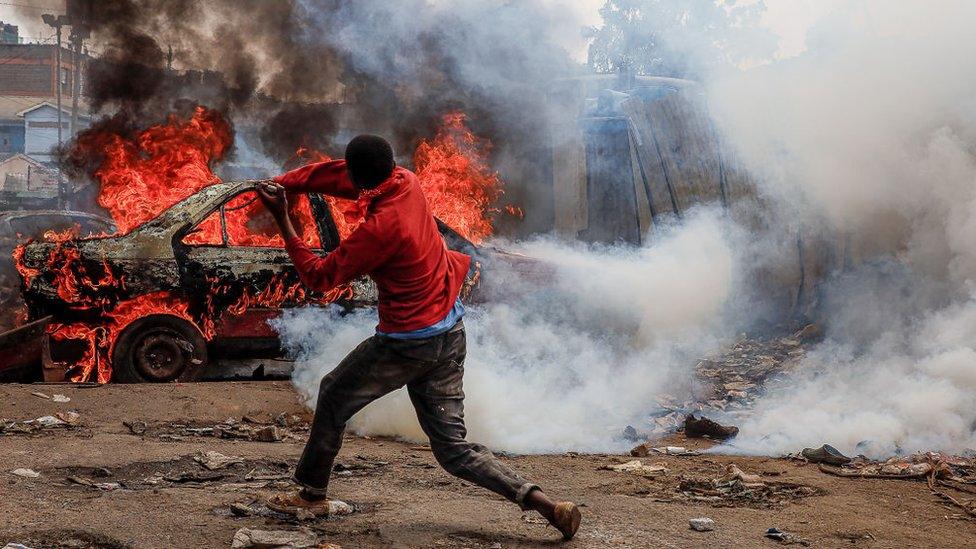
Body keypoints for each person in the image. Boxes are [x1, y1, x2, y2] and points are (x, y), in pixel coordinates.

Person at [256, 134, 581, 540]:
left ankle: (311, 493)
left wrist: (282, 218)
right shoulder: (406, 181)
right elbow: (340, 176)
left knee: (334, 392)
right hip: (450, 330)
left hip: (408, 343)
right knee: (453, 449)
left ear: (361, 179)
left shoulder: (380, 229)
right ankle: (546, 505)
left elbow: (320, 278)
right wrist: (287, 181)